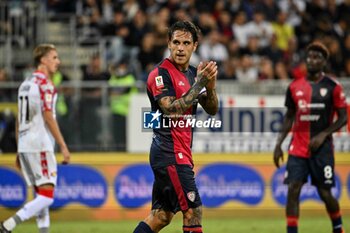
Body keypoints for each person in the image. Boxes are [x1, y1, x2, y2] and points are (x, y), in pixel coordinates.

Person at [133, 21, 218, 233]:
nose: (181, 47)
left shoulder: (191, 74)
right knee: (193, 210)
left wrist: (210, 86)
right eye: (176, 42)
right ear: (169, 44)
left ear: (195, 46)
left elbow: (212, 109)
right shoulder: (160, 74)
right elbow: (171, 110)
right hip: (169, 153)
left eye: (186, 43)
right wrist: (199, 84)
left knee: (161, 216)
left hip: (180, 152)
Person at [273, 41, 347, 233]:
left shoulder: (333, 87)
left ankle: (338, 228)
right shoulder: (294, 87)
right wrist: (278, 144)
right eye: (310, 56)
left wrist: (323, 135)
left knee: (325, 193)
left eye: (318, 57)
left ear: (324, 62)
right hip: (297, 149)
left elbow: (344, 117)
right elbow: (289, 116)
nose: (313, 60)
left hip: (322, 150)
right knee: (293, 190)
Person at [0, 44, 71, 233]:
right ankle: (10, 224)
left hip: (25, 144)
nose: (58, 62)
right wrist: (63, 146)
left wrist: (19, 148)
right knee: (47, 197)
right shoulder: (45, 84)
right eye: (54, 57)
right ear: (43, 60)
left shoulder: (25, 84)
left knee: (40, 196)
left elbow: (18, 119)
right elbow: (48, 116)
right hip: (40, 143)